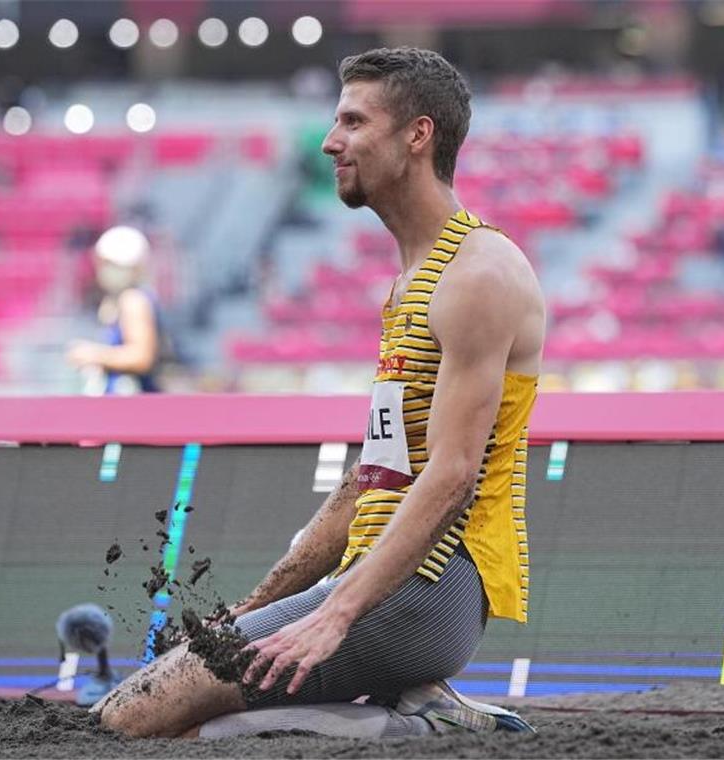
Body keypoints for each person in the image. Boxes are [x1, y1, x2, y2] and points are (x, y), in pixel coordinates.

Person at [90, 47, 545, 739]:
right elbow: (370, 483)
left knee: (133, 717)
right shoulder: (412, 279)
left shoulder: (479, 274)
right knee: (162, 698)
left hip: (423, 592)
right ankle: (410, 705)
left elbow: (451, 477)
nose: (331, 141)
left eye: (353, 121)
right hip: (380, 584)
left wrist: (332, 615)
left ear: (417, 136)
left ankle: (412, 722)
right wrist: (252, 610)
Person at [66, 225, 162, 395]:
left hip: (138, 404)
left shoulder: (133, 299)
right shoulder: (115, 301)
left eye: (115, 265)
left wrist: (94, 354)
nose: (107, 270)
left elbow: (141, 356)